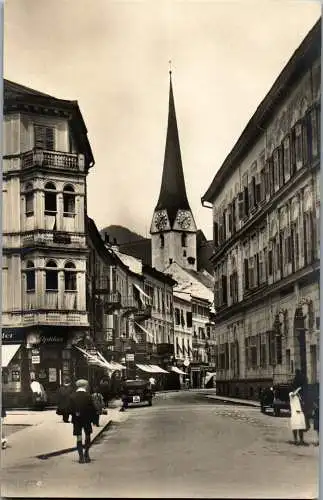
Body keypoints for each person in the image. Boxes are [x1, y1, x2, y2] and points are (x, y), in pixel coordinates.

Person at [69, 379, 97, 463]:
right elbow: (92, 409)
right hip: (87, 419)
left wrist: (75, 413)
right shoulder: (88, 396)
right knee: (88, 435)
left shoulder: (72, 396)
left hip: (77, 420)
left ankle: (81, 457)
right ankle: (86, 454)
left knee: (79, 437)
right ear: (85, 386)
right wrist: (94, 420)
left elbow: (69, 409)